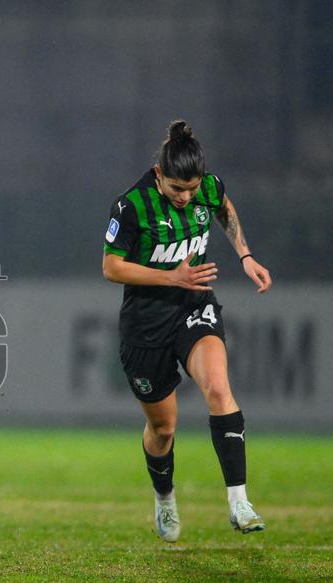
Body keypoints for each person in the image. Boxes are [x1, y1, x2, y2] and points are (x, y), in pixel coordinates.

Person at [102, 120, 272, 543]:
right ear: (160, 175)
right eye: (178, 189)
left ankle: (239, 501)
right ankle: (164, 496)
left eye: (191, 190)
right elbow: (111, 267)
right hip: (146, 323)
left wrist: (245, 255)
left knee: (218, 388)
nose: (186, 197)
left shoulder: (206, 188)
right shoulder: (132, 206)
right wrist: (171, 279)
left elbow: (224, 208)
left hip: (193, 308)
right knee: (164, 429)